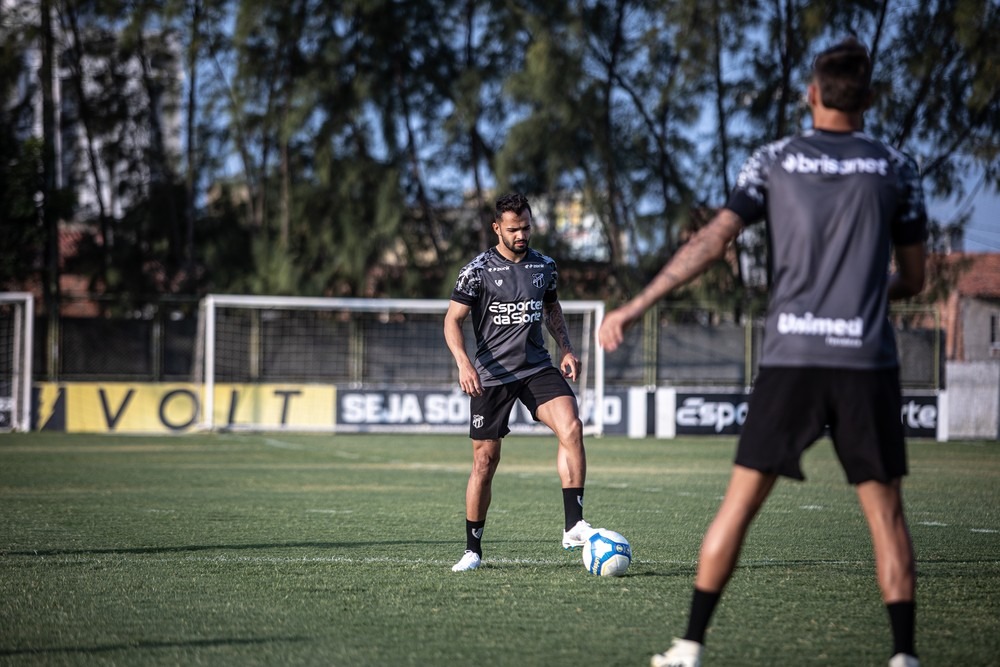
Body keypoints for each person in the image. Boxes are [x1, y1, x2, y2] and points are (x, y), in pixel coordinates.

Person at [598, 38, 926, 667]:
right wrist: (860, 289)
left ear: (811, 94)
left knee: (739, 506)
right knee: (886, 517)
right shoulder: (896, 167)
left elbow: (713, 241)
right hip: (866, 361)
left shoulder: (773, 160)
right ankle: (904, 657)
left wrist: (635, 306)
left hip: (792, 358)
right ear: (871, 98)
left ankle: (689, 647)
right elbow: (913, 279)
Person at [444, 192, 593, 572]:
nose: (521, 235)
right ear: (497, 228)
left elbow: (551, 307)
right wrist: (464, 363)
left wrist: (567, 348)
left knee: (571, 426)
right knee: (484, 462)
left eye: (526, 227)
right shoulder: (476, 270)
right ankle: (472, 550)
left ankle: (573, 525)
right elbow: (452, 320)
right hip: (492, 375)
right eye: (513, 229)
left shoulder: (544, 266)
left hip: (536, 367)